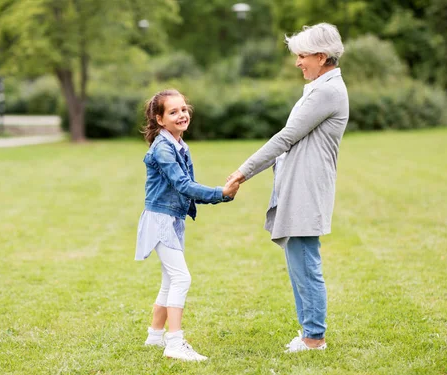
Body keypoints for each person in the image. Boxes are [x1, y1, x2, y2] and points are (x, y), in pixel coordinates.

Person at [227, 23, 349, 353]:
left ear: (322, 57)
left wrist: (243, 172)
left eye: (302, 55)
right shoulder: (320, 87)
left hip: (308, 188)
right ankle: (309, 332)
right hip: (300, 186)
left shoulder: (327, 91)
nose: (298, 62)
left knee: (305, 263)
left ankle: (314, 338)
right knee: (298, 262)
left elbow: (285, 137)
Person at [136, 89, 240, 361]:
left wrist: (221, 196)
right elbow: (183, 185)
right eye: (173, 111)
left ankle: (154, 337)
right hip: (160, 220)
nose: (181, 115)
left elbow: (186, 189)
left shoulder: (179, 145)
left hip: (172, 219)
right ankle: (174, 343)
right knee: (181, 278)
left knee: (170, 279)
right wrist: (220, 193)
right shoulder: (163, 148)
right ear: (160, 119)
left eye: (183, 109)